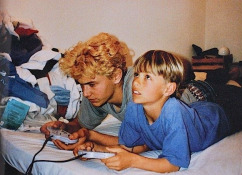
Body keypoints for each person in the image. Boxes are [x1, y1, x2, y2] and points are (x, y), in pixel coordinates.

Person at [73, 50, 230, 173]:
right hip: (193, 110)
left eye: (147, 77)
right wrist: (94, 148)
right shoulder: (134, 107)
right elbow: (131, 147)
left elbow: (173, 164)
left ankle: (226, 74)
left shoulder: (173, 110)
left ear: (168, 88)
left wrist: (133, 161)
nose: (136, 82)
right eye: (136, 74)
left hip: (217, 116)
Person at [40, 32, 134, 149]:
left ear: (116, 76)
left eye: (92, 84)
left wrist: (91, 137)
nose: (86, 93)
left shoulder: (139, 89)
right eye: (82, 85)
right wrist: (64, 128)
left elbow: (146, 142)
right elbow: (81, 124)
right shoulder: (98, 96)